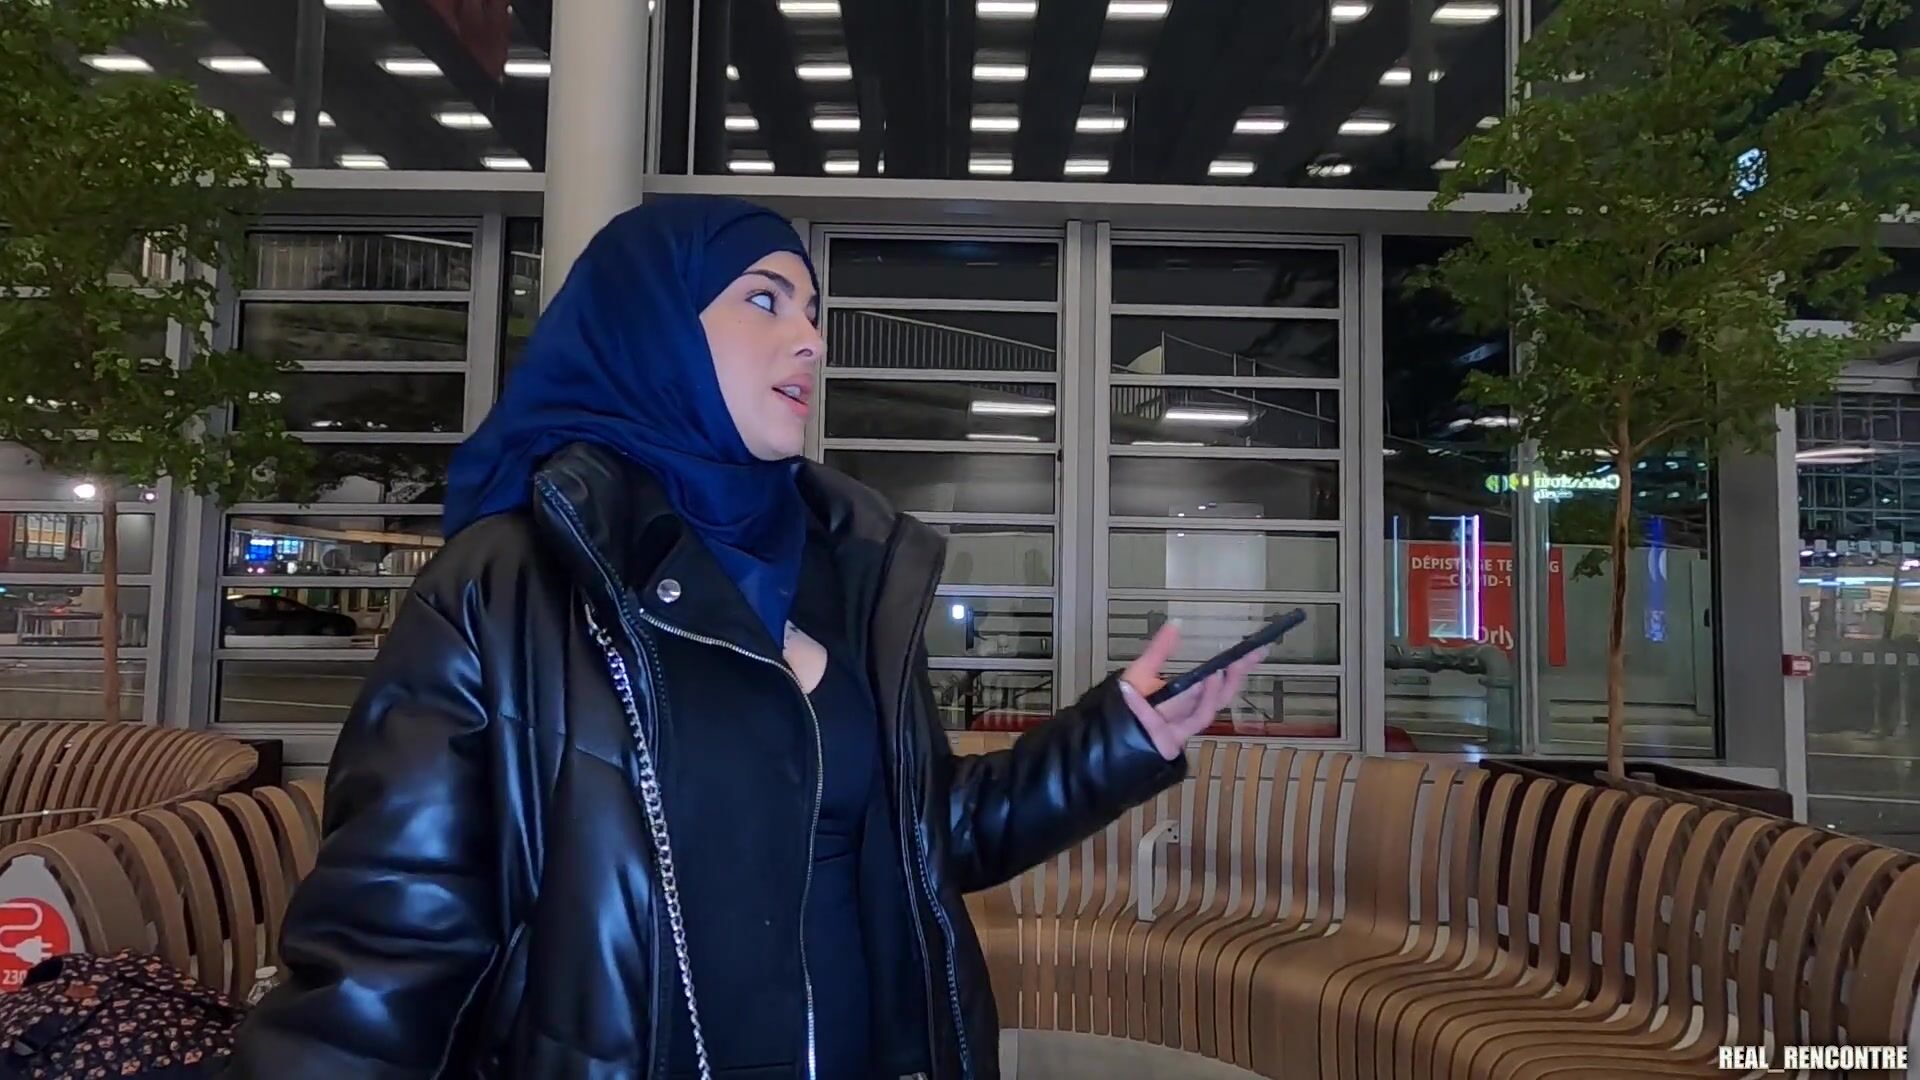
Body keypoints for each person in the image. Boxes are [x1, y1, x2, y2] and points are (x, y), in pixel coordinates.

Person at [224, 196, 1263, 1080]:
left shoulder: (850, 572)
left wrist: (1122, 738)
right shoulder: (508, 585)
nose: (810, 338)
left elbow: (921, 832)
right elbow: (390, 942)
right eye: (764, 300)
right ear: (652, 330)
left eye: (812, 310)